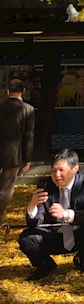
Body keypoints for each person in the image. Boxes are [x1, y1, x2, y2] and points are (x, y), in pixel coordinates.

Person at [19, 150, 84, 281]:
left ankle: (83, 259)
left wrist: (65, 214)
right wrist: (32, 206)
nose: (57, 175)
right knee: (26, 238)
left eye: (61, 170)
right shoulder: (45, 185)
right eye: (54, 170)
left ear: (75, 169)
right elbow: (33, 224)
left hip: (79, 233)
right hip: (53, 236)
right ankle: (45, 264)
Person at [0, 78, 35, 228]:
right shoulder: (28, 109)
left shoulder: (1, 106)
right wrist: (27, 157)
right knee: (6, 187)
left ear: (7, 91)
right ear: (24, 91)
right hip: (13, 153)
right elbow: (28, 135)